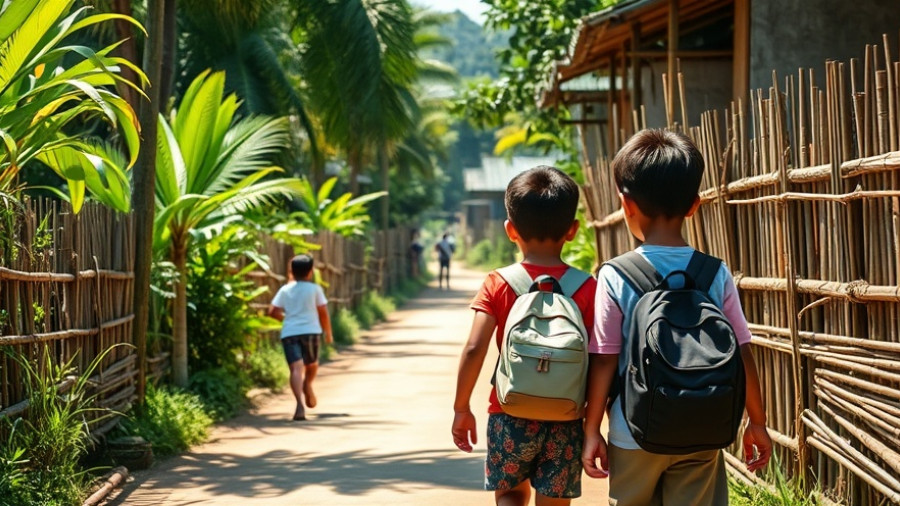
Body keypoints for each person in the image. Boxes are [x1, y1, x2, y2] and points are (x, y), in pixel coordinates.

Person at [581, 129, 772, 505]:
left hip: (632, 433)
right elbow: (742, 354)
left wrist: (592, 430)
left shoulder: (616, 275)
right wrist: (758, 422)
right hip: (702, 429)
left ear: (626, 204)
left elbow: (604, 359)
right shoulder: (714, 273)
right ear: (694, 205)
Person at [452, 166, 598, 506]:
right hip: (567, 417)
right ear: (574, 230)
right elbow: (602, 358)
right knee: (553, 501)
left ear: (510, 230)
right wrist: (594, 425)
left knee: (510, 496)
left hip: (508, 412)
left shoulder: (498, 283)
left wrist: (461, 408)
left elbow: (475, 348)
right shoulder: (587, 288)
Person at [268, 254, 333, 421]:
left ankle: (299, 405)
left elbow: (272, 312)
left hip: (289, 333)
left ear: (291, 271)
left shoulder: (285, 290)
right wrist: (329, 333)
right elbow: (323, 312)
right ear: (310, 272)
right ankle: (308, 385)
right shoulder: (314, 289)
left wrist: (287, 319)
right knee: (311, 365)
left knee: (296, 369)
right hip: (311, 331)